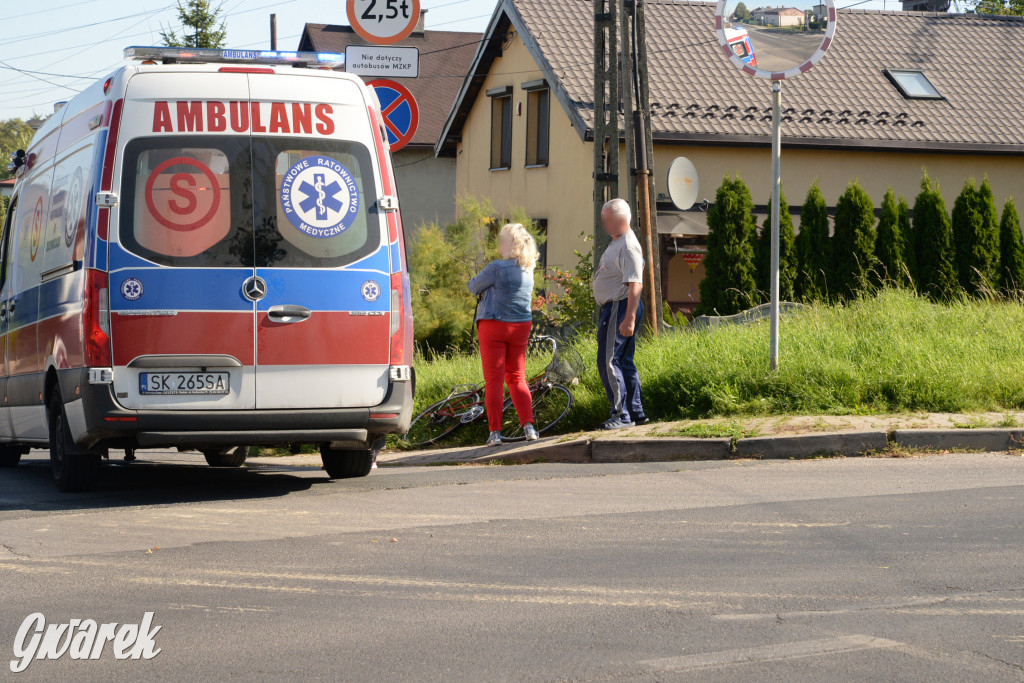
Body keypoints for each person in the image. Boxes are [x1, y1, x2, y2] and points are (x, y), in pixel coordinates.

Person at [468, 223, 541, 446]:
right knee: (517, 377)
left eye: (501, 239)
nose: (498, 243)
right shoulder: (528, 269)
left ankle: (495, 433)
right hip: (521, 326)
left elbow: (472, 286)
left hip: (494, 324)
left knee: (494, 380)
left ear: (510, 244)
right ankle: (529, 427)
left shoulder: (496, 267)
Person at [592, 198, 649, 429]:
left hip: (620, 306)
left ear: (622, 219)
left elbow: (636, 283)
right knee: (623, 361)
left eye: (608, 220)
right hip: (619, 306)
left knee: (609, 361)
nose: (604, 224)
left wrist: (630, 317)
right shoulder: (619, 242)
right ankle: (635, 413)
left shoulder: (627, 245)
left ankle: (621, 415)